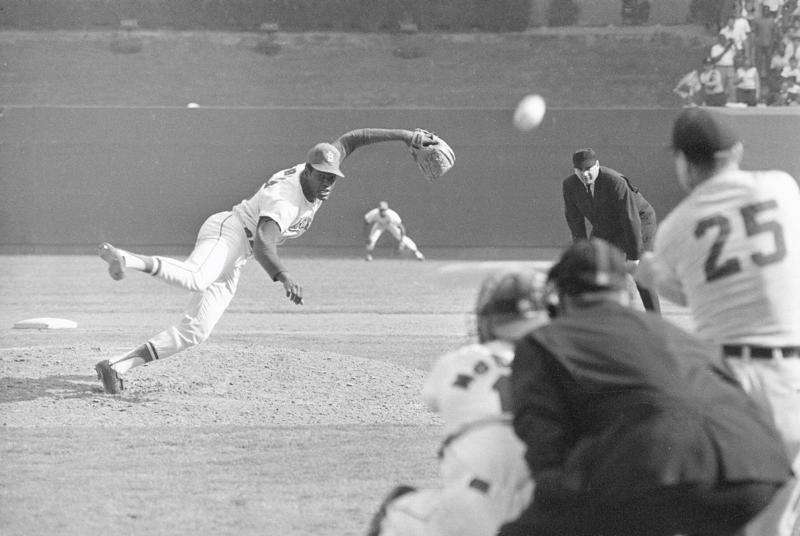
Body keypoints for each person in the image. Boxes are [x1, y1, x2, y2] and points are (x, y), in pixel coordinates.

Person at [94, 127, 430, 394]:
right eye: (323, 176)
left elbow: (355, 138)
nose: (329, 182)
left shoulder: (319, 167)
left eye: (333, 176)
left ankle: (116, 366)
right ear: (309, 171)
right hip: (228, 232)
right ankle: (125, 258)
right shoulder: (285, 201)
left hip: (237, 252)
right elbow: (264, 245)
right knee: (196, 277)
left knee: (196, 330)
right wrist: (283, 276)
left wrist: (407, 137)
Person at [500, 238, 792, 536]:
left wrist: (553, 503)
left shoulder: (545, 341)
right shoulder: (678, 335)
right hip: (758, 469)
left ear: (559, 297)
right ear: (625, 295)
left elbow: (545, 446)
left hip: (655, 469)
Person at [635, 107, 800, 536]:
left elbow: (695, 296)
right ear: (738, 150)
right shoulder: (783, 188)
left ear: (684, 163)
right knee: (778, 514)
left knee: (720, 510)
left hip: (728, 382)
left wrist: (654, 276)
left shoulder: (676, 228)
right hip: (792, 378)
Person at [366, 269, 549, 536]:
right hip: (548, 507)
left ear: (488, 319)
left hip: (474, 506)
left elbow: (433, 400)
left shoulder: (462, 360)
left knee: (398, 506)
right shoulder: (563, 365)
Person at [561, 148, 660, 313]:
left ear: (597, 166)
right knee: (592, 264)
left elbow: (630, 219)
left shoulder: (615, 181)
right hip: (606, 225)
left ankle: (656, 321)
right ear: (575, 170)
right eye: (580, 170)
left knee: (640, 273)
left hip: (639, 221)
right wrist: (583, 253)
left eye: (588, 169)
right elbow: (575, 221)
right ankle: (599, 315)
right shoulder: (570, 185)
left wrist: (634, 257)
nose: (585, 174)